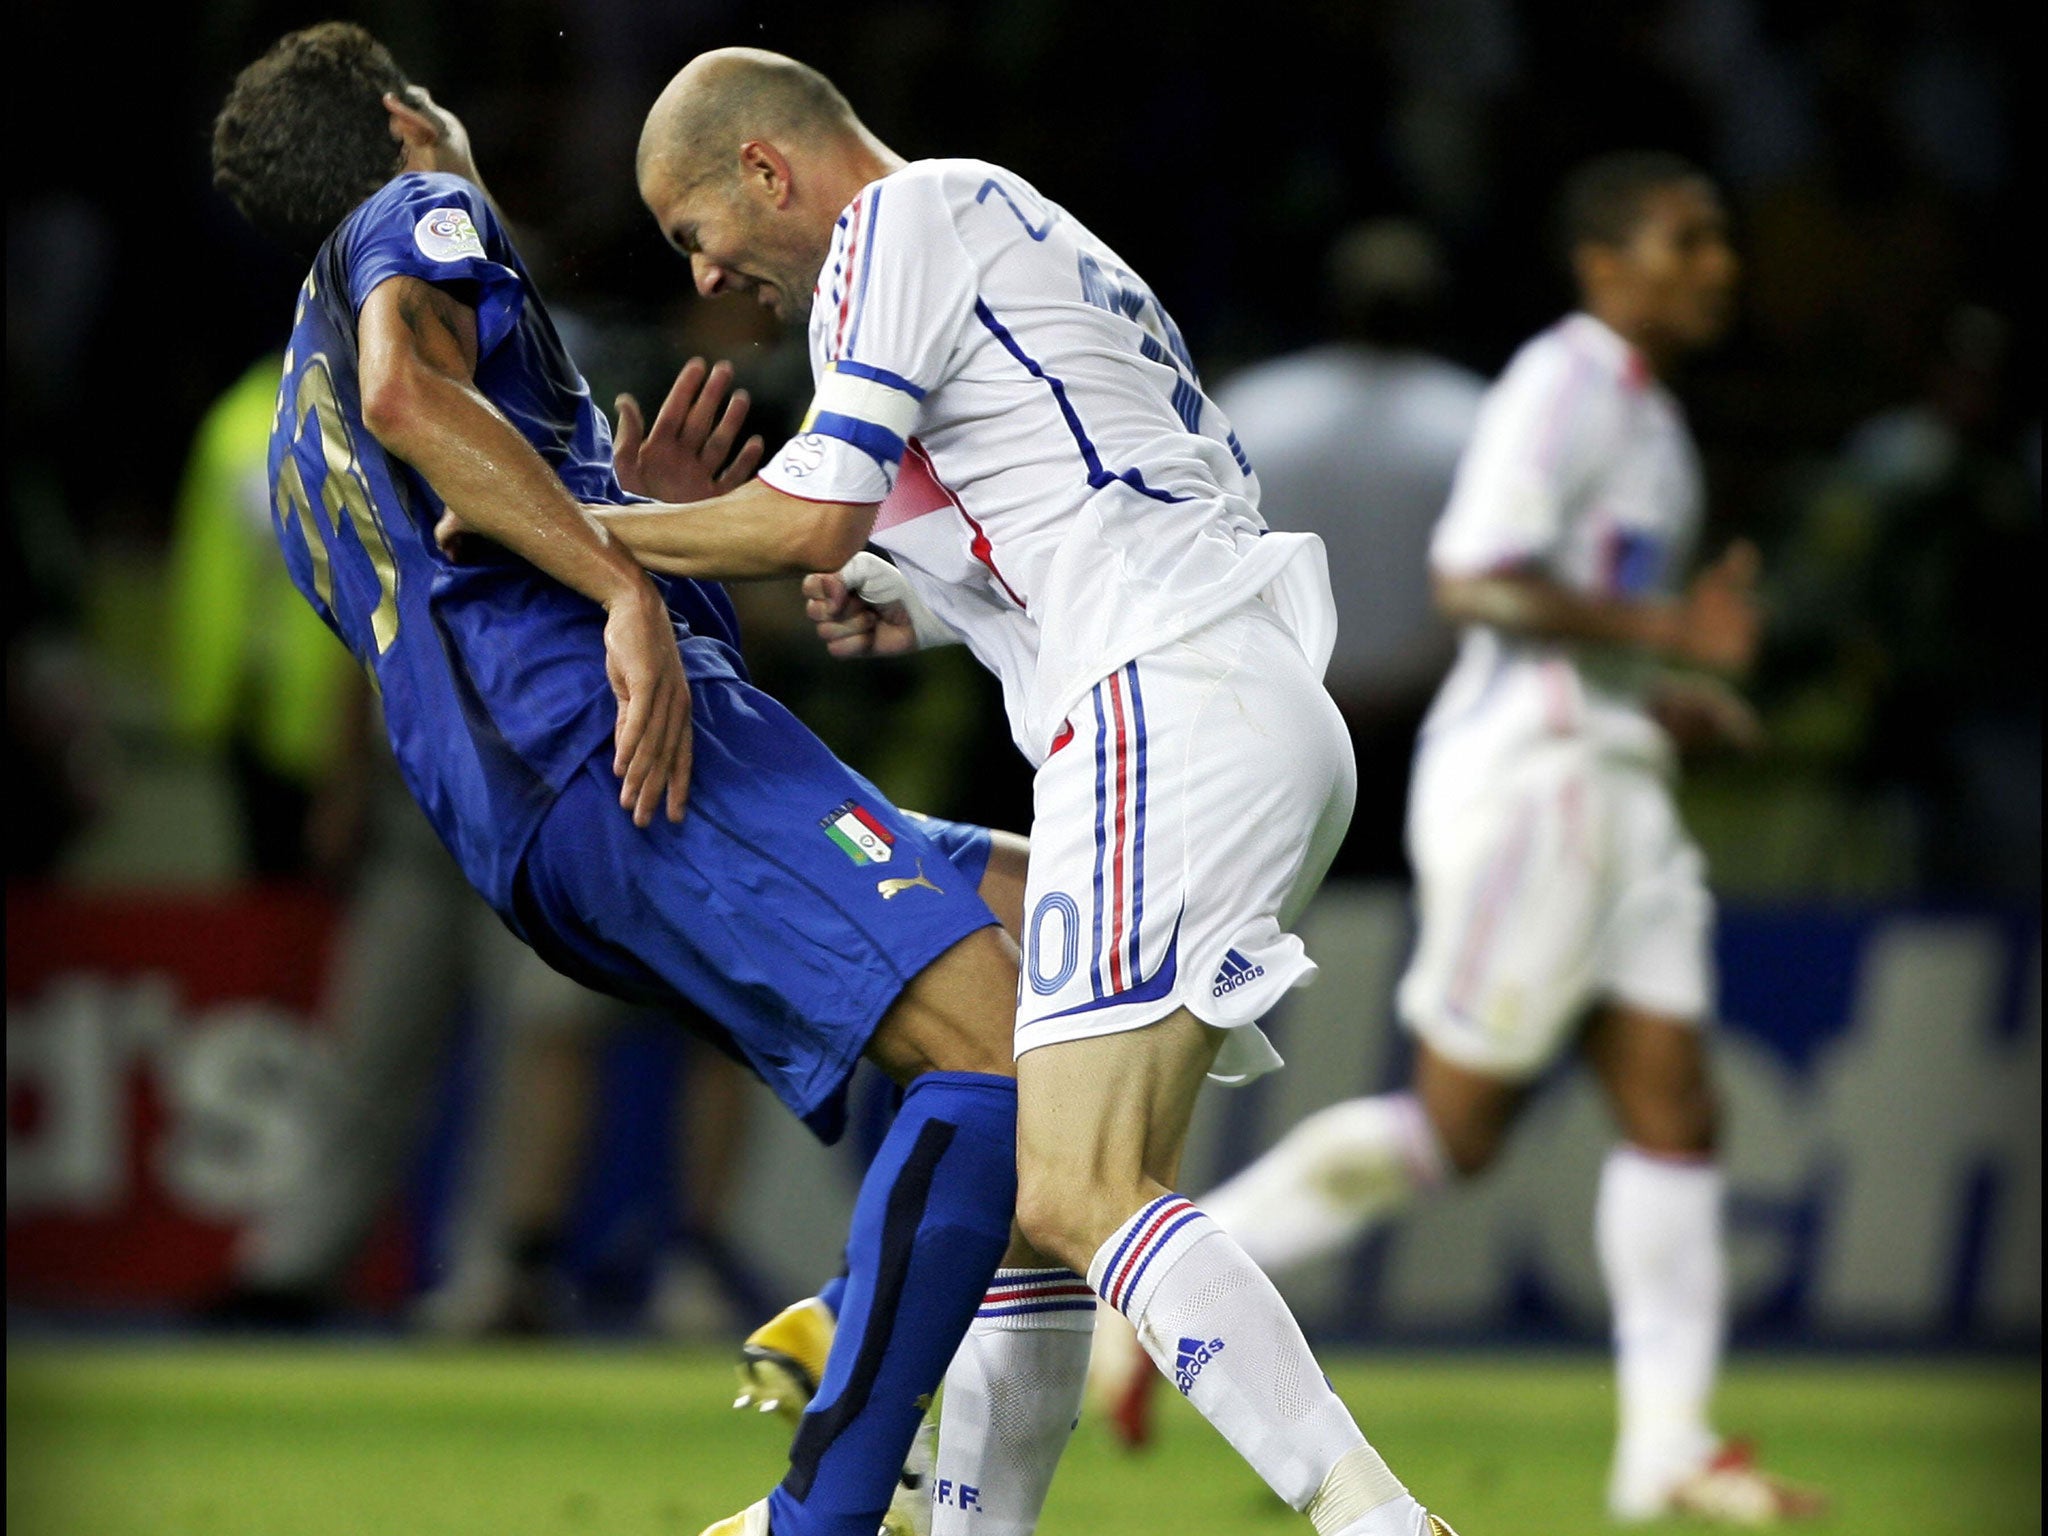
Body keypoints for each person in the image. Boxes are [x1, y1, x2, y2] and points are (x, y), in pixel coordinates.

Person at [573, 46, 1458, 1536]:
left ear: (766, 173)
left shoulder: (899, 222)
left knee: (1079, 1185)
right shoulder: (1021, 238)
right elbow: (987, 519)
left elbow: (815, 513)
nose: (712, 276)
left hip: (1160, 701)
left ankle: (1375, 1519)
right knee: (1052, 1201)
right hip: (1238, 709)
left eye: (695, 230)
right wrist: (876, 595)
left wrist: (581, 530)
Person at [212, 26, 1033, 1536]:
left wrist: (629, 521)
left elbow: (451, 567)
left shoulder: (285, 426)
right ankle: (830, 1505)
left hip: (547, 799)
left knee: (1063, 941)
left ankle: (853, 1352)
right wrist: (629, 588)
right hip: (604, 756)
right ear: (407, 116)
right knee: (1006, 1053)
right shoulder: (410, 220)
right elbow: (415, 395)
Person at [1094, 152, 1826, 1525]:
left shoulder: (1648, 419)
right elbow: (1475, 577)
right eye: (1690, 239)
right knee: (1459, 1127)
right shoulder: (1557, 386)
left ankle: (1666, 1447)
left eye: (1720, 239)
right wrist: (1671, 635)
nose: (1719, 262)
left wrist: (1663, 691)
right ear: (1605, 262)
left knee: (1677, 1105)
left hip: (1613, 774)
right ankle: (1157, 1293)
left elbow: (1569, 607)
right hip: (1535, 789)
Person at [1213, 220, 1485, 877]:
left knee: (1265, 910)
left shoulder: (1252, 410)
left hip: (1272, 712)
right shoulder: (1476, 420)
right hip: (1423, 718)